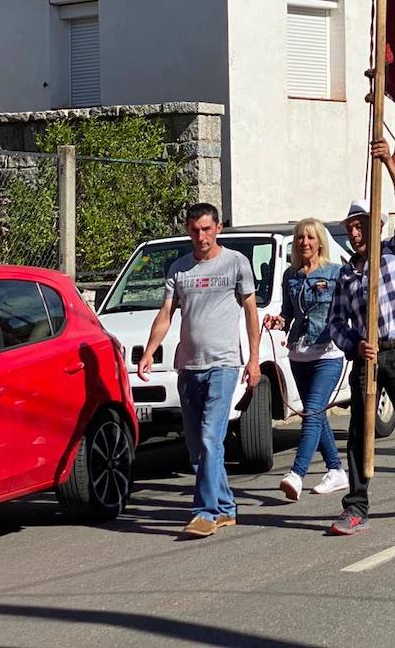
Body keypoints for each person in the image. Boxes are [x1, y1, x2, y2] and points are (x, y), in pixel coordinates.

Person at [325, 141, 395, 535]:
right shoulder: (347, 274)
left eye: (361, 225)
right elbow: (336, 323)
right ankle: (355, 505)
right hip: (368, 359)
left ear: (376, 225)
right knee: (359, 431)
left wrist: (389, 162)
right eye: (350, 227)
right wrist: (354, 344)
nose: (355, 233)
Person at [138, 203, 261, 539]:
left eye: (206, 229)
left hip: (223, 364)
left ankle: (204, 512)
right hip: (188, 366)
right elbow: (165, 313)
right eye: (194, 230)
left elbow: (251, 313)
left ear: (218, 228)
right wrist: (149, 351)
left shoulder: (236, 263)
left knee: (210, 437)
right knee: (197, 445)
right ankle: (225, 507)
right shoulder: (179, 268)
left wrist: (253, 359)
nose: (200, 236)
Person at [265, 219, 349, 502]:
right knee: (317, 413)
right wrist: (278, 321)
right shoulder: (291, 275)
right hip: (299, 354)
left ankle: (297, 474)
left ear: (320, 242)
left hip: (328, 352)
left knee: (311, 411)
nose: (305, 243)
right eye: (300, 238)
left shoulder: (336, 273)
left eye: (310, 238)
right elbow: (289, 314)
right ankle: (336, 470)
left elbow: (351, 306)